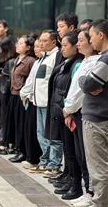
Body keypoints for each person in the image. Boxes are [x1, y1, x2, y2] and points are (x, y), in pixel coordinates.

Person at [45, 31, 83, 198]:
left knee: (73, 152)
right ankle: (70, 180)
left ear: (76, 46)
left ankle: (76, 186)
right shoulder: (66, 63)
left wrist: (67, 110)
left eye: (66, 45)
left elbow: (73, 91)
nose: (62, 49)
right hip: (62, 111)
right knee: (68, 150)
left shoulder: (77, 64)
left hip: (70, 113)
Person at [63, 30, 98, 206]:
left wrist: (68, 109)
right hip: (74, 111)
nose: (78, 44)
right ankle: (87, 191)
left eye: (81, 40)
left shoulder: (95, 62)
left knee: (87, 156)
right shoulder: (84, 61)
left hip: (82, 112)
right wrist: (68, 109)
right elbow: (73, 89)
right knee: (80, 154)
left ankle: (91, 193)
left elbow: (80, 92)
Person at [78, 19, 108, 207]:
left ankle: (100, 203)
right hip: (100, 117)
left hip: (98, 119)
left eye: (91, 36)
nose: (90, 41)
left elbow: (88, 83)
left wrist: (83, 78)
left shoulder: (105, 59)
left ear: (101, 35)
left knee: (99, 168)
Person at [28, 30, 63, 174]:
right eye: (40, 40)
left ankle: (54, 164)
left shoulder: (56, 56)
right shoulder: (43, 58)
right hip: (39, 102)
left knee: (53, 135)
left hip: (49, 103)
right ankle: (45, 161)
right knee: (41, 134)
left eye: (44, 41)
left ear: (53, 42)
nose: (41, 43)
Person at [5, 35, 36, 163]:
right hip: (13, 95)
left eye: (21, 43)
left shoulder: (30, 61)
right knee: (13, 124)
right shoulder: (16, 59)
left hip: (22, 97)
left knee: (21, 125)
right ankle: (17, 148)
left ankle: (23, 151)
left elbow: (31, 80)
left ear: (28, 47)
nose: (18, 45)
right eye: (18, 43)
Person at [20, 39, 43, 169]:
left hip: (38, 100)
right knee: (30, 130)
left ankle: (36, 159)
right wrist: (24, 94)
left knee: (36, 131)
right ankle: (31, 158)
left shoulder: (38, 61)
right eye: (35, 46)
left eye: (39, 46)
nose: (36, 49)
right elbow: (30, 81)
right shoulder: (37, 62)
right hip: (30, 98)